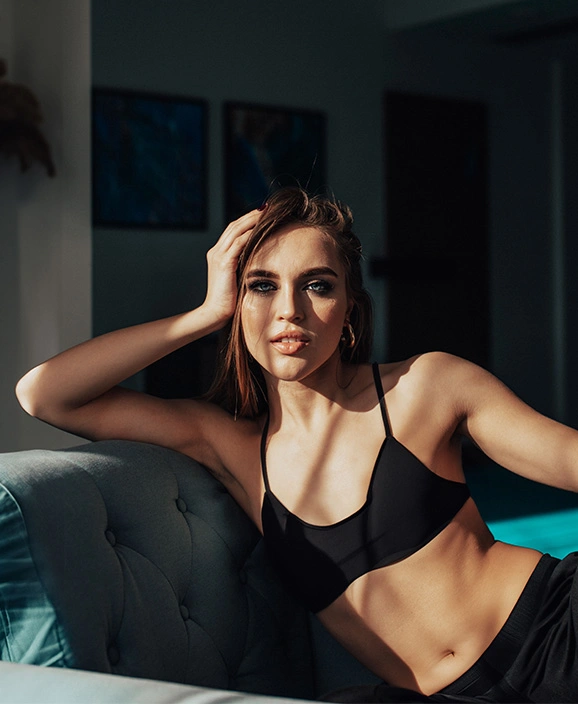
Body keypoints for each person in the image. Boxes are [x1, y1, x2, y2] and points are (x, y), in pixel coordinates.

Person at [15, 187, 578, 703]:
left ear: (349, 310)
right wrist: (206, 314)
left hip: (557, 630)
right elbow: (45, 395)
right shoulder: (231, 447)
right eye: (263, 285)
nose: (291, 310)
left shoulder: (424, 387)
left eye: (317, 284)